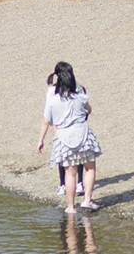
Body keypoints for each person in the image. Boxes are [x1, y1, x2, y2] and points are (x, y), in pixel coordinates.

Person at [38, 61, 102, 214]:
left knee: (70, 172)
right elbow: (89, 110)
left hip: (63, 138)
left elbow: (46, 121)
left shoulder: (53, 101)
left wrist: (40, 140)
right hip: (83, 135)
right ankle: (87, 200)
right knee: (90, 168)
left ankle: (71, 206)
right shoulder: (80, 97)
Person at [47, 71, 85, 197]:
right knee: (65, 157)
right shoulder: (53, 91)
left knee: (73, 156)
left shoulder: (77, 87)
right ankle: (64, 184)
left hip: (73, 127)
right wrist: (55, 127)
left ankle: (76, 183)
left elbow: (84, 109)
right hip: (63, 127)